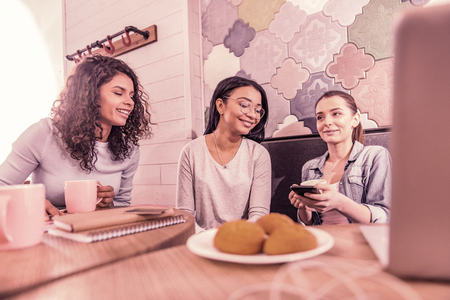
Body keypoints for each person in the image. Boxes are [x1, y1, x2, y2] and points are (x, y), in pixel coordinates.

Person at [0, 54, 152, 219]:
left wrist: (108, 204)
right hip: (48, 231)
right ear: (91, 95)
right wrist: (29, 201)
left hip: (97, 233)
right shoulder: (44, 134)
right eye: (118, 93)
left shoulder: (129, 150)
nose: (130, 102)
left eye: (131, 95)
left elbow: (123, 205)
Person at [176, 76, 271, 231]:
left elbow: (259, 214)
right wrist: (205, 238)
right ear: (220, 105)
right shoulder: (191, 151)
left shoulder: (259, 154)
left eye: (257, 109)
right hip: (200, 240)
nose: (253, 115)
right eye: (245, 105)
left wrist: (232, 238)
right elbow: (185, 213)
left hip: (242, 239)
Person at [289, 91, 391, 225]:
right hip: (322, 242)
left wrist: (339, 202)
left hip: (358, 242)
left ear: (355, 119)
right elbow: (310, 224)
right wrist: (303, 208)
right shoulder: (310, 167)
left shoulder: (374, 156)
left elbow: (384, 217)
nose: (327, 122)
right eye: (320, 117)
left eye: (336, 114)